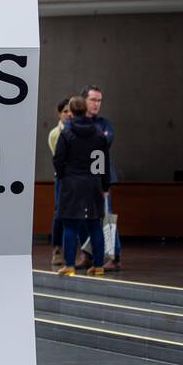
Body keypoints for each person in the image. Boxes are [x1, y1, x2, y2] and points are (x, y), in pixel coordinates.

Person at [53, 95, 112, 276]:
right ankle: (99, 265)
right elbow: (103, 162)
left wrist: (63, 175)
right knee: (95, 224)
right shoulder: (98, 135)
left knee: (70, 226)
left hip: (71, 184)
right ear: (85, 109)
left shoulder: (67, 134)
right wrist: (104, 185)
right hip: (93, 183)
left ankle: (69, 265)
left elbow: (58, 160)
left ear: (71, 111)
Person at [81, 84, 121, 271]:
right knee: (82, 216)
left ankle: (114, 257)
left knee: (106, 217)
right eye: (93, 100)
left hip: (101, 177)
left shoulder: (105, 123)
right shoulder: (78, 121)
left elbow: (105, 141)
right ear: (84, 100)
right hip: (81, 176)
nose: (96, 104)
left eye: (99, 100)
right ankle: (87, 254)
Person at [47, 98, 72, 267]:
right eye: (65, 111)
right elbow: (59, 157)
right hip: (63, 177)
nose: (68, 114)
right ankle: (57, 248)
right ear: (59, 113)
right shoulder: (56, 134)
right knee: (59, 213)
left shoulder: (77, 131)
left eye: (71, 111)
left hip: (76, 177)